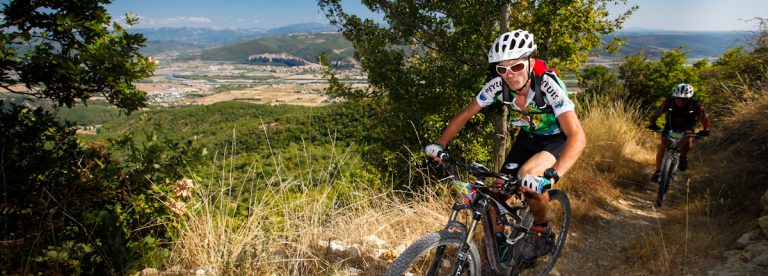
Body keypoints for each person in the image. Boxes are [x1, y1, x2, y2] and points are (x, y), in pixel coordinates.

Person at [423, 30, 586, 263]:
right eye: (502, 69)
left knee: (528, 178)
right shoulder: (498, 86)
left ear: (530, 62)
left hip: (555, 138)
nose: (509, 74)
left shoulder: (548, 85)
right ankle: (497, 252)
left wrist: (552, 177)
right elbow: (466, 114)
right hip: (527, 137)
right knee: (493, 197)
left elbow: (578, 136)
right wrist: (440, 144)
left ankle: (541, 231)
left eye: (516, 67)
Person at [648, 83, 713, 182]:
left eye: (684, 99)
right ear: (674, 97)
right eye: (678, 98)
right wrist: (653, 124)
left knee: (688, 141)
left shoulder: (696, 106)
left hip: (687, 127)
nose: (680, 101)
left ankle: (683, 157)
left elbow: (704, 119)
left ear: (689, 98)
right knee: (664, 144)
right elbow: (655, 115)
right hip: (670, 125)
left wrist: (706, 130)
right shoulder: (667, 103)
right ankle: (657, 172)